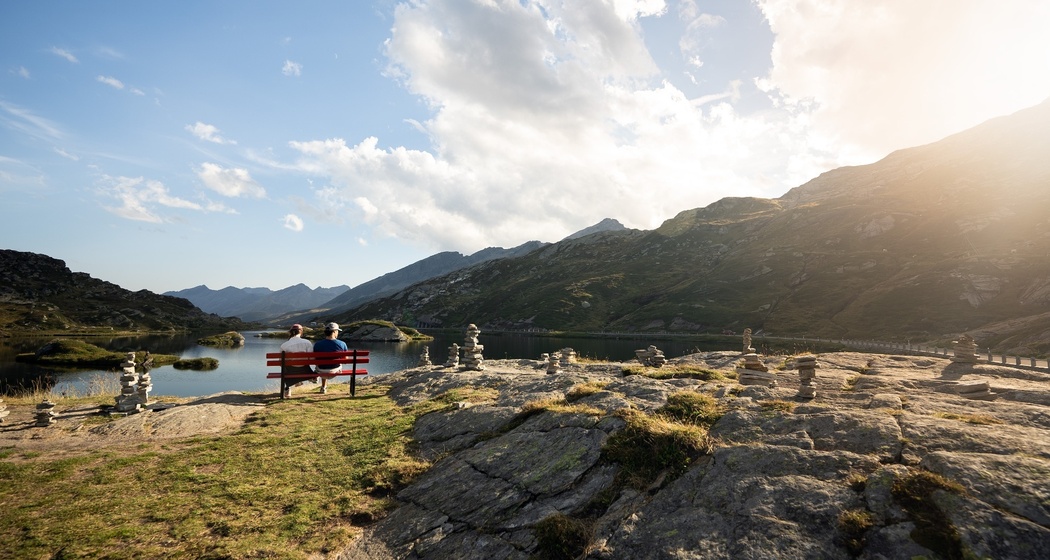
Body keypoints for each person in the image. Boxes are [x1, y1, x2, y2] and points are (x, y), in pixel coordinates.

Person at [279, 324, 314, 398]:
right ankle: (301, 380)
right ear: (301, 331)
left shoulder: (284, 345)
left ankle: (288, 388)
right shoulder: (307, 342)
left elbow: (280, 362)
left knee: (286, 367)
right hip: (305, 370)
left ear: (290, 332)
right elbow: (312, 359)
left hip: (290, 371)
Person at [313, 322, 348, 394]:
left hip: (321, 370)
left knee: (322, 363)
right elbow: (345, 360)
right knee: (336, 363)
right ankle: (324, 387)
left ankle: (323, 387)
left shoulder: (317, 344)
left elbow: (315, 359)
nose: (338, 333)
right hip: (335, 371)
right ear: (334, 332)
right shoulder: (342, 344)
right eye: (337, 331)